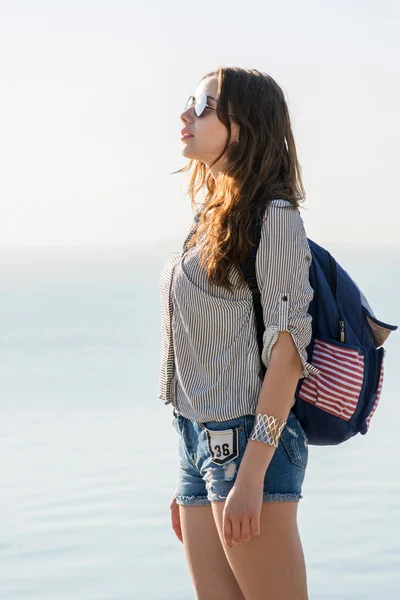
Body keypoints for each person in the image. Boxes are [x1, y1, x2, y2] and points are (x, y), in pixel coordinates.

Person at [158, 66, 317, 600]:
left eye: (203, 107)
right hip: (198, 442)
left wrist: (249, 476)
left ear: (243, 127)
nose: (187, 115)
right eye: (190, 102)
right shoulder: (209, 220)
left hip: (250, 443)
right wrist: (192, 468)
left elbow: (290, 352)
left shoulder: (275, 217)